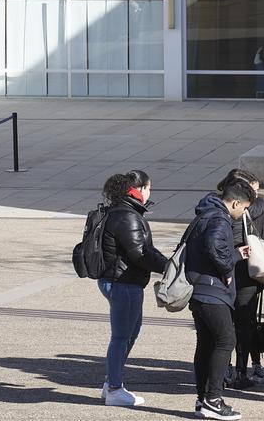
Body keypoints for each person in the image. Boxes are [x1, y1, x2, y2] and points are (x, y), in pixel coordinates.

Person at [184, 179, 257, 421]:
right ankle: (213, 400)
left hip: (199, 289)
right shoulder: (219, 218)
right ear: (235, 202)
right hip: (212, 290)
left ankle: (202, 399)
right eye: (244, 208)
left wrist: (235, 255)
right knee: (226, 340)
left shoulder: (205, 214)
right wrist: (227, 268)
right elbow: (214, 245)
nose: (243, 213)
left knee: (206, 344)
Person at [98, 170, 168, 407]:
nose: (150, 193)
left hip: (122, 281)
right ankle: (115, 388)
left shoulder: (121, 211)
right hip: (123, 282)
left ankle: (112, 383)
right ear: (139, 190)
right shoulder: (127, 216)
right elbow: (140, 253)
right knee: (121, 336)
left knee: (130, 332)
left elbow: (140, 250)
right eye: (149, 188)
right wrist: (168, 266)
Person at [217, 170, 264, 390]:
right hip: (249, 276)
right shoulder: (259, 210)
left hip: (229, 276)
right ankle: (243, 370)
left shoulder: (220, 209)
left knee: (228, 324)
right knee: (245, 323)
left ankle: (229, 369)